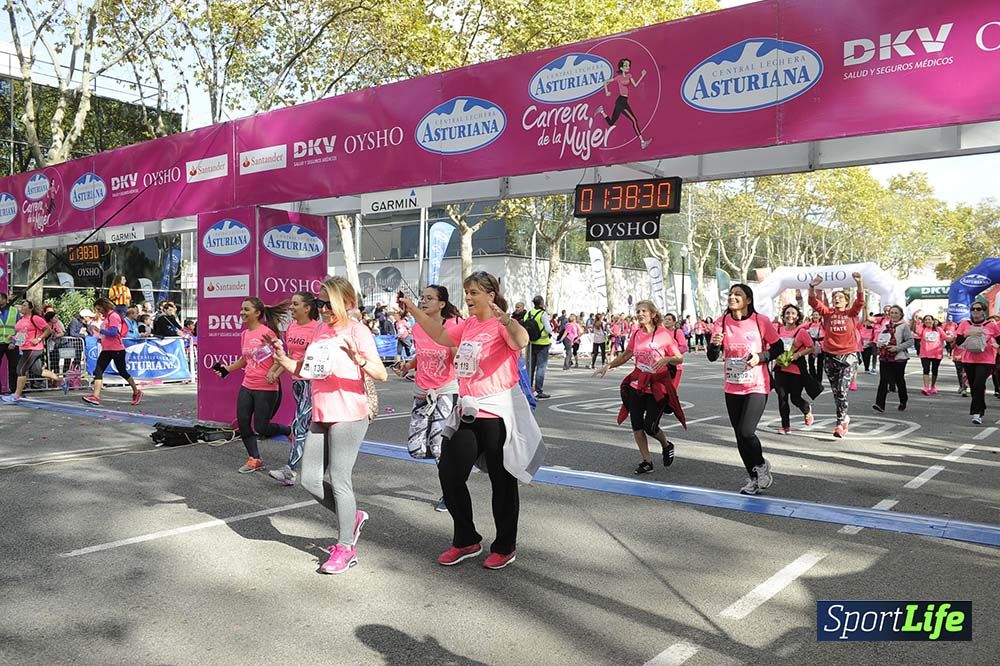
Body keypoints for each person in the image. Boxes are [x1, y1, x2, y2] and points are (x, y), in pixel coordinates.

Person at [401, 272, 542, 571]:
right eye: (466, 292)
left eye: (474, 292)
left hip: (496, 413)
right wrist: (413, 309)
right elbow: (439, 335)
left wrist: (507, 321)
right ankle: (466, 539)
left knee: (502, 484)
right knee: (450, 474)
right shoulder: (469, 325)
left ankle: (505, 546)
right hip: (467, 411)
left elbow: (521, 341)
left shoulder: (499, 324)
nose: (468, 297)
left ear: (491, 295)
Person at [266, 277, 388, 574]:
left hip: (349, 412)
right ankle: (353, 517)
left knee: (340, 477)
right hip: (321, 413)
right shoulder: (320, 330)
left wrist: (359, 359)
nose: (321, 309)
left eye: (327, 303)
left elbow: (381, 374)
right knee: (309, 480)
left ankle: (346, 547)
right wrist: (284, 359)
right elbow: (307, 370)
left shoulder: (358, 331)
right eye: (319, 303)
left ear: (346, 303)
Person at [707, 284, 783, 495]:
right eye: (730, 294)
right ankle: (753, 477)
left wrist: (761, 357)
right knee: (739, 436)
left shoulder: (761, 321)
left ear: (748, 300)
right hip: (732, 385)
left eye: (737, 294)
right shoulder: (721, 323)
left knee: (746, 431)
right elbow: (712, 356)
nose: (732, 297)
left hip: (757, 384)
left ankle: (761, 465)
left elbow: (778, 347)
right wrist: (714, 345)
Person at [595, 300, 684, 474]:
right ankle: (647, 460)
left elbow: (678, 357)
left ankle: (666, 445)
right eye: (638, 311)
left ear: (652, 314)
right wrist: (610, 365)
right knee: (636, 425)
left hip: (657, 386)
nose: (640, 314)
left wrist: (667, 359)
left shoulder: (663, 334)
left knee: (650, 426)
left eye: (644, 311)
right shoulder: (636, 334)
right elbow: (627, 354)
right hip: (638, 385)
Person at [395, 284, 461, 512]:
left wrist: (456, 350)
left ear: (442, 304)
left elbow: (460, 359)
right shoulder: (418, 329)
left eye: (430, 298)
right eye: (422, 298)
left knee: (438, 445)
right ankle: (456, 462)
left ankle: (450, 493)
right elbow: (422, 354)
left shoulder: (452, 326)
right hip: (422, 391)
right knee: (416, 448)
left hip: (445, 391)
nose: (424, 301)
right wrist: (408, 365)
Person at [213, 297, 291, 473]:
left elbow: (281, 358)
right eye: (241, 309)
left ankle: (287, 430)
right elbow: (244, 359)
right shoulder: (244, 334)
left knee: (262, 427)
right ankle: (254, 459)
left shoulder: (267, 333)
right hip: (247, 384)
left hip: (266, 387)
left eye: (246, 309)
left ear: (257, 313)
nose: (242, 312)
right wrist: (227, 370)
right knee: (243, 422)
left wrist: (273, 372)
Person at [267, 292, 320, 487]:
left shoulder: (317, 329)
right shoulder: (292, 327)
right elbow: (288, 355)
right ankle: (321, 465)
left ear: (307, 308)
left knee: (298, 424)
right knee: (308, 425)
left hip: (312, 382)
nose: (291, 307)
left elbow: (311, 358)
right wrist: (275, 371)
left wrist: (290, 365)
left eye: (296, 304)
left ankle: (290, 470)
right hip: (296, 381)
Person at [808, 272, 865, 437]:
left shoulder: (850, 313)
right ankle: (844, 417)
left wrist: (859, 283)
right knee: (836, 392)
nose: (837, 299)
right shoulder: (827, 313)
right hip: (830, 357)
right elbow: (812, 301)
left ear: (846, 301)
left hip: (848, 357)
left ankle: (840, 423)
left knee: (841, 390)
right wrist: (812, 286)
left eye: (840, 297)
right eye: (835, 297)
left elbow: (860, 301)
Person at [80, 298, 142, 407]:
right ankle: (96, 396)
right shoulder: (108, 317)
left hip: (116, 349)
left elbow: (113, 332)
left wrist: (99, 330)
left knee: (122, 371)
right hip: (107, 348)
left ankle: (136, 391)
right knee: (98, 371)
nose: (99, 312)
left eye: (99, 309)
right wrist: (101, 337)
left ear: (104, 306)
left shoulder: (113, 316)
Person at [1, 300, 67, 403]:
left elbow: (48, 330)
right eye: (21, 305)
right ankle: (61, 380)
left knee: (20, 370)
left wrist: (39, 339)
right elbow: (22, 335)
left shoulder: (35, 318)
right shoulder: (21, 319)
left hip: (33, 348)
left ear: (30, 308)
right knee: (38, 371)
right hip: (25, 348)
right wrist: (13, 339)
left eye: (24, 305)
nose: (21, 307)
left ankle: (16, 396)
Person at [772, 304, 816, 434]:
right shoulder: (778, 331)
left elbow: (811, 347)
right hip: (780, 369)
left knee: (795, 398)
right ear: (783, 316)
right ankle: (786, 426)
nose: (789, 316)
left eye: (793, 313)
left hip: (796, 370)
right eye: (787, 313)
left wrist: (797, 355)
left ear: (797, 317)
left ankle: (806, 409)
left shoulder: (801, 332)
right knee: (782, 398)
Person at [955, 303, 1000, 425]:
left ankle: (977, 413)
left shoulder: (991, 325)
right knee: (974, 387)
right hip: (969, 359)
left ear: (984, 311)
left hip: (986, 360)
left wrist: (997, 345)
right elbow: (958, 342)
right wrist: (967, 334)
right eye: (973, 309)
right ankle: (982, 406)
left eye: (978, 309)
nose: (975, 311)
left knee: (978, 384)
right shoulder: (965, 324)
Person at [596, 58, 651, 149]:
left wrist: (642, 75)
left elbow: (635, 85)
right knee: (634, 120)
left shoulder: (629, 75)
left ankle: (602, 111)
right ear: (621, 67)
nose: (628, 67)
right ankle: (642, 142)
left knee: (611, 123)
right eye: (625, 65)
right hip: (621, 101)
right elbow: (605, 81)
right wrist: (607, 91)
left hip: (624, 101)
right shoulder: (618, 78)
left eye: (628, 65)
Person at [872, 305, 914, 413]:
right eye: (892, 313)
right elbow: (880, 339)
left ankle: (903, 400)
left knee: (899, 380)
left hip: (898, 357)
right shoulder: (885, 325)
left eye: (896, 313)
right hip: (885, 356)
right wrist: (880, 344)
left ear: (901, 315)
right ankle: (880, 404)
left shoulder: (904, 326)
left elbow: (910, 341)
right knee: (883, 380)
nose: (894, 315)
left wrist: (897, 348)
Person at [525, 295, 552, 399]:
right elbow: (548, 329)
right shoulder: (543, 314)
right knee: (541, 368)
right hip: (543, 342)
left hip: (532, 342)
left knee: (530, 367)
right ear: (541, 303)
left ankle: (529, 388)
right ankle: (538, 390)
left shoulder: (529, 313)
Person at [917, 315, 944, 396]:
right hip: (925, 353)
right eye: (925, 320)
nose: (927, 321)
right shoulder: (923, 329)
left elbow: (946, 337)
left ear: (933, 321)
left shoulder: (938, 329)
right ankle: (926, 387)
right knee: (926, 369)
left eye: (929, 319)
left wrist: (954, 338)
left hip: (936, 353)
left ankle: (933, 386)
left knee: (934, 370)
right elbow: (917, 332)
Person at [662, 312, 688, 388]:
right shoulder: (660, 333)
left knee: (672, 390)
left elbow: (684, 347)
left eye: (669, 319)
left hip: (675, 365)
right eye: (665, 319)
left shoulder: (677, 332)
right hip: (662, 365)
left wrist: (672, 353)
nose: (666, 321)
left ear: (674, 322)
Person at [0, 293, 18, 394]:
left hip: (11, 343)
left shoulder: (14, 311)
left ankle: (14, 390)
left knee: (13, 368)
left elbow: (21, 329)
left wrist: (14, 342)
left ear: (5, 300)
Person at [805, 311, 825, 382]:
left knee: (820, 364)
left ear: (820, 316)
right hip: (812, 345)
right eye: (814, 315)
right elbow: (801, 328)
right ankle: (813, 378)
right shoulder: (809, 325)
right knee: (811, 363)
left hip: (821, 346)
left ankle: (819, 380)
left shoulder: (823, 324)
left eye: (817, 315)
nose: (815, 317)